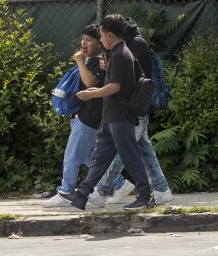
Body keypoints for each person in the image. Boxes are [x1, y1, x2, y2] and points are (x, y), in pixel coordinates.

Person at [60, 14, 153, 212]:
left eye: (101, 36)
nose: (100, 40)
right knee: (100, 157)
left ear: (109, 35)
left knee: (130, 156)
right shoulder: (116, 53)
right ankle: (82, 194)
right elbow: (111, 85)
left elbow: (115, 87)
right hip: (111, 116)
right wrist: (94, 91)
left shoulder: (121, 54)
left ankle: (146, 196)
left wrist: (92, 95)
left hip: (120, 116)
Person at [93, 18, 173, 205]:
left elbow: (130, 78)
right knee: (143, 148)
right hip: (133, 106)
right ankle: (161, 189)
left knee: (124, 150)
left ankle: (102, 191)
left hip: (134, 107)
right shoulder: (130, 45)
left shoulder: (134, 44)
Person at [44, 24, 126, 207]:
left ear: (101, 42)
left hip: (89, 116)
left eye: (89, 39)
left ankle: (65, 191)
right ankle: (120, 182)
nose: (84, 43)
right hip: (83, 114)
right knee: (89, 156)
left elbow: (90, 82)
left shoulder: (100, 60)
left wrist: (80, 62)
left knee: (72, 155)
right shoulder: (94, 60)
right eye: (83, 39)